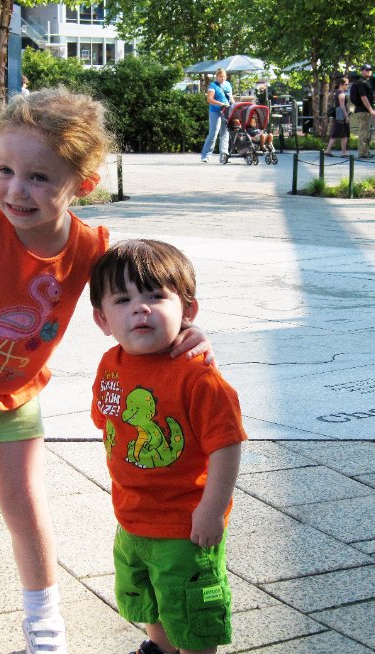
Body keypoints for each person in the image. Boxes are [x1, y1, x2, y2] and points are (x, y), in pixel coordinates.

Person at [0, 89, 213, 654]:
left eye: (40, 178)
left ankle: (45, 632)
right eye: (5, 170)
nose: (17, 190)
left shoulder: (92, 247)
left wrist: (182, 333)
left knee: (26, 505)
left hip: (13, 393)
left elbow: (137, 296)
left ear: (82, 183)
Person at [90, 240, 247, 654]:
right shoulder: (111, 365)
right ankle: (158, 648)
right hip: (131, 519)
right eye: (122, 300)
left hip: (186, 528)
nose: (140, 308)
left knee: (192, 614)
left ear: (188, 311)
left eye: (156, 296)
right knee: (149, 599)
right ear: (102, 319)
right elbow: (111, 426)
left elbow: (226, 445)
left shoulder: (198, 378)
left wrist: (211, 510)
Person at [200, 69, 233, 164]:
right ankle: (206, 155)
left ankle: (224, 156)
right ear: (216, 76)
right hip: (215, 111)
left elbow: (231, 98)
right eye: (220, 76)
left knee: (225, 134)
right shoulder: (213, 85)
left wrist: (235, 107)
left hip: (226, 111)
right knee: (213, 133)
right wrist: (220, 104)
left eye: (224, 76)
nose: (222, 78)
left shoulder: (228, 85)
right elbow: (209, 99)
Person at [350, 64, 375, 158]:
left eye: (370, 69)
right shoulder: (361, 83)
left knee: (366, 132)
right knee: (364, 132)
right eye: (367, 69)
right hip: (363, 111)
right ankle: (363, 153)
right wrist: (371, 110)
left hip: (363, 110)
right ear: (362, 71)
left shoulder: (364, 82)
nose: (369, 71)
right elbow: (363, 97)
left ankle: (365, 151)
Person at [324, 77, 350, 157]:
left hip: (337, 116)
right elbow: (342, 106)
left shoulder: (337, 93)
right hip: (341, 116)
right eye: (346, 84)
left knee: (335, 134)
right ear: (341, 84)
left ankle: (328, 150)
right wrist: (346, 116)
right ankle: (344, 152)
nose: (347, 86)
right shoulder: (341, 94)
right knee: (345, 134)